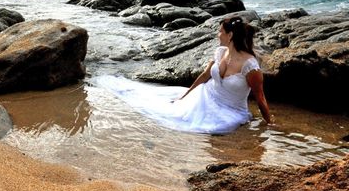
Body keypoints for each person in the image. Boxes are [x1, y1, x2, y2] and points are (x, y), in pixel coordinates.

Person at [95, 16, 272, 134]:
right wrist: (185, 95)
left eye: (220, 31)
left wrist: (270, 124)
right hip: (204, 96)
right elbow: (204, 76)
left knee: (216, 128)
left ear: (230, 35)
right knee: (168, 109)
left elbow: (260, 97)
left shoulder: (250, 66)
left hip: (231, 110)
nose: (218, 34)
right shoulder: (221, 52)